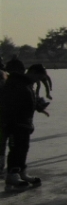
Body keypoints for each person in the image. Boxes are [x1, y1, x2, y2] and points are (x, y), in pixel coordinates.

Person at [0, 58, 46, 189]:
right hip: (15, 124)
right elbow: (9, 104)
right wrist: (9, 123)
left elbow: (28, 101)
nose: (37, 81)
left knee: (23, 148)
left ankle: (21, 172)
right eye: (38, 78)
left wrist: (38, 106)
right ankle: (12, 174)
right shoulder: (16, 83)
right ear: (32, 72)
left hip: (24, 124)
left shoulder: (26, 84)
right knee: (16, 149)